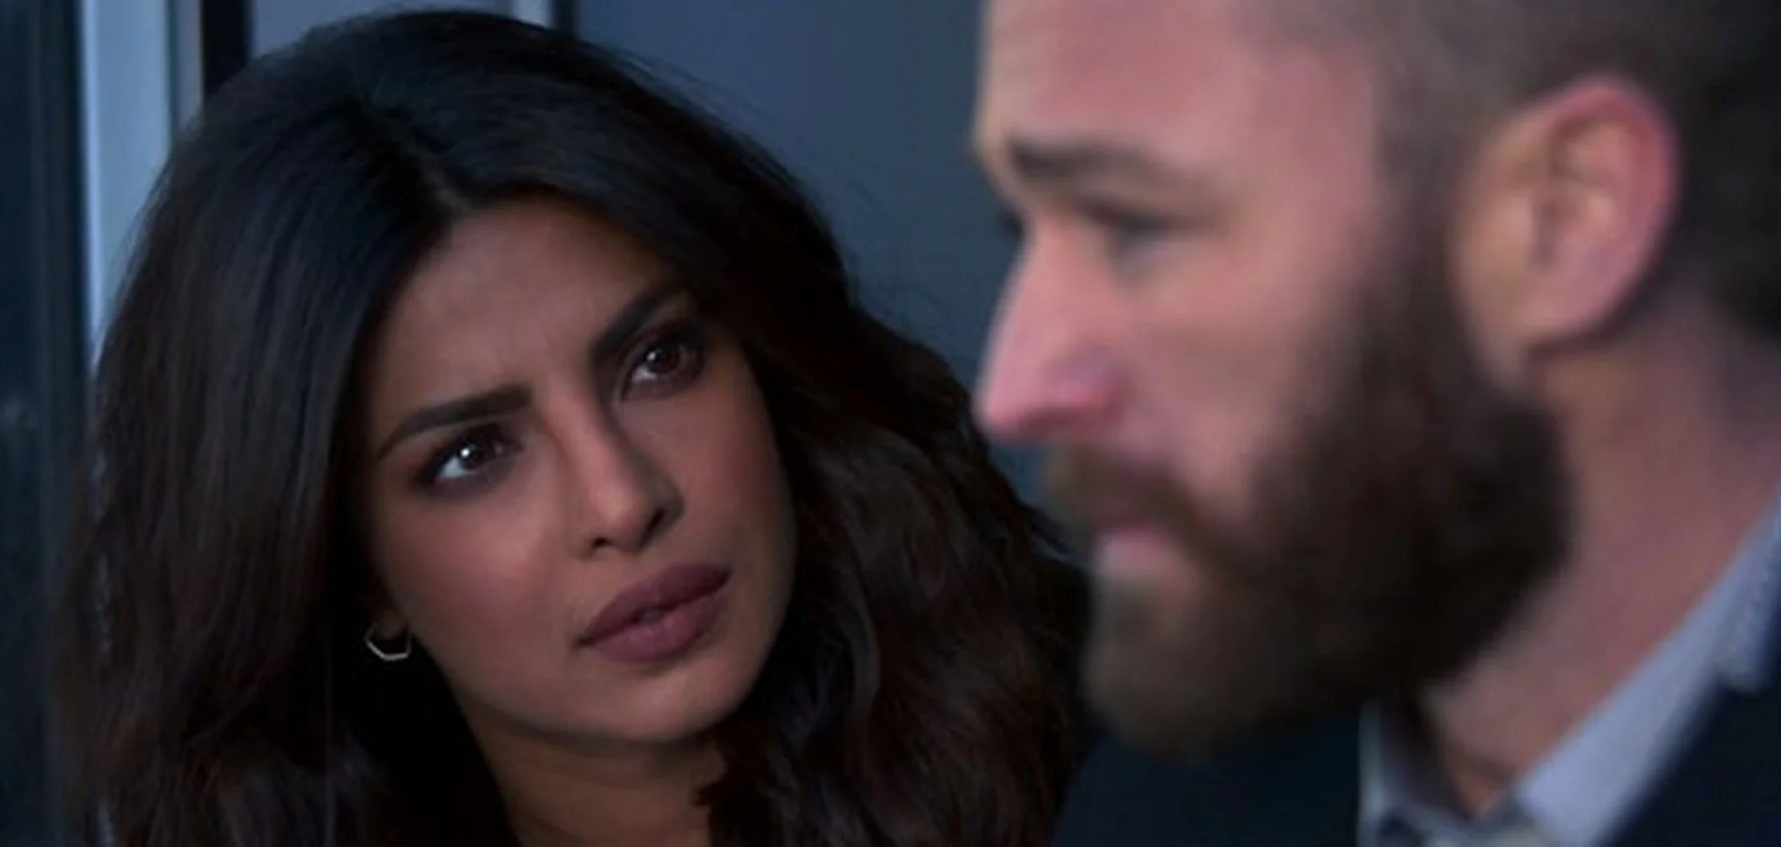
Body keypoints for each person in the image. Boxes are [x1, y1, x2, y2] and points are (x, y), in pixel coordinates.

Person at [53, 10, 1085, 847]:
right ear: (351, 566)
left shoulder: (1127, 778)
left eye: (659, 360)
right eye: (471, 455)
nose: (623, 500)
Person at [972, 0, 1781, 844]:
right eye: (1023, 229)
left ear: (1567, 217)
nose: (1014, 389)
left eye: (1133, 225)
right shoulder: (1167, 797)